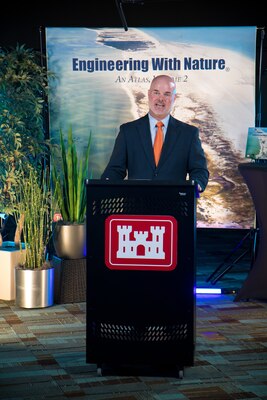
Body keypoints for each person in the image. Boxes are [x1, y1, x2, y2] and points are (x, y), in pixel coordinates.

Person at [101, 74, 209, 192]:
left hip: (176, 206)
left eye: (167, 94)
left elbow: (199, 170)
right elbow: (115, 170)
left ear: (174, 98)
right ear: (149, 94)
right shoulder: (128, 131)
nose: (160, 99)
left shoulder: (189, 134)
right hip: (135, 207)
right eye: (156, 92)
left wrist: (197, 185)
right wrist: (104, 185)